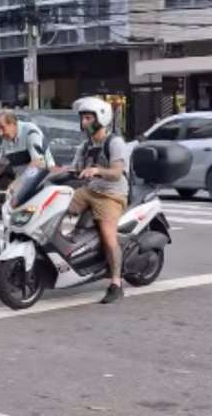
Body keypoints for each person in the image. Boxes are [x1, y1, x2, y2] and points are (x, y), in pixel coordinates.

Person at [57, 97, 129, 304]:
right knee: (55, 209)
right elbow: (75, 169)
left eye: (88, 118)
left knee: (108, 236)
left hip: (111, 194)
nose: (84, 123)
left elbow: (117, 172)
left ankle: (116, 283)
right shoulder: (85, 145)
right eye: (83, 118)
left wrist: (97, 170)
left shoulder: (114, 142)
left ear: (101, 118)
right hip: (89, 191)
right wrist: (53, 171)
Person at [0, 110, 55, 190]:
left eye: (2, 128)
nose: (0, 133)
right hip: (23, 186)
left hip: (42, 182)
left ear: (13, 123)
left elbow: (38, 163)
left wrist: (18, 183)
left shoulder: (31, 132)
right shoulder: (6, 139)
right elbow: (1, 164)